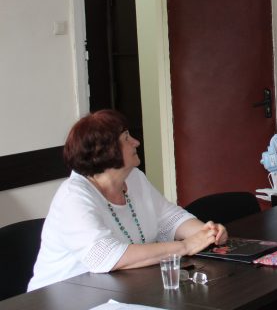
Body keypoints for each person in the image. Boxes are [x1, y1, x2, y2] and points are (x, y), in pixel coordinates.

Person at [29, 110, 229, 290]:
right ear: (104, 150)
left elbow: (169, 218)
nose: (136, 142)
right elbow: (105, 256)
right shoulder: (73, 197)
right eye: (126, 138)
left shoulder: (134, 178)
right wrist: (185, 246)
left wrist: (207, 232)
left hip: (118, 291)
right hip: (61, 299)